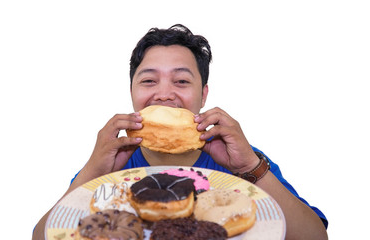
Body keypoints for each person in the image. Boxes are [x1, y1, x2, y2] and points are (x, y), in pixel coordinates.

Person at [33, 24, 328, 240]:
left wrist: (250, 166)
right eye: (149, 81)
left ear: (204, 95)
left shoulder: (244, 160)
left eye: (182, 81)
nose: (164, 94)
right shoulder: (110, 167)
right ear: (132, 93)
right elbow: (41, 236)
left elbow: (315, 237)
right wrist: (92, 170)